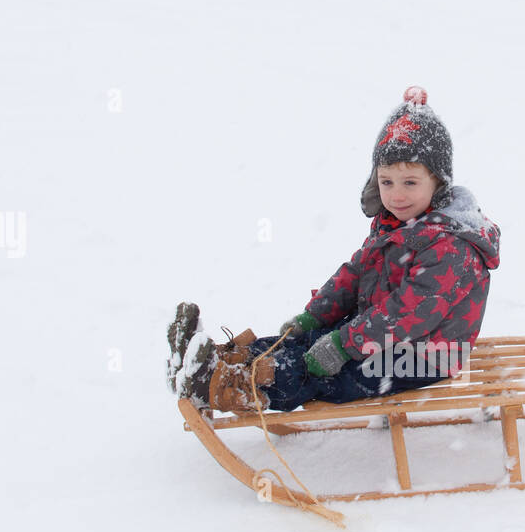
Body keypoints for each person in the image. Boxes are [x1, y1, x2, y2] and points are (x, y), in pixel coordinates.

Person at [166, 86, 500, 413]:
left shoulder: (452, 246)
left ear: (438, 183)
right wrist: (314, 317)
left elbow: (407, 315)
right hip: (380, 332)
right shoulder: (396, 223)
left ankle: (230, 388)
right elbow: (355, 274)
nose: (396, 195)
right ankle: (218, 362)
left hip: (424, 356)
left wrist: (345, 344)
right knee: (307, 343)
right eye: (386, 182)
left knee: (325, 371)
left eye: (409, 183)